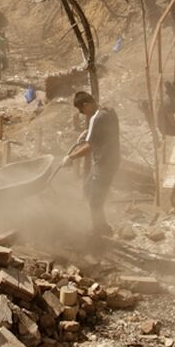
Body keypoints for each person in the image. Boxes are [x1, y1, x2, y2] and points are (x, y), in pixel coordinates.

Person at [65, 91, 120, 238]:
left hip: (103, 163)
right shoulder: (109, 111)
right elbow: (101, 133)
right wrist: (88, 132)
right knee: (88, 188)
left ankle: (99, 231)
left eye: (81, 110)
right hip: (113, 159)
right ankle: (103, 225)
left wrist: (71, 157)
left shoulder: (97, 118)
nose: (82, 114)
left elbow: (89, 147)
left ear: (87, 105)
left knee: (95, 201)